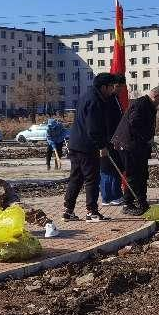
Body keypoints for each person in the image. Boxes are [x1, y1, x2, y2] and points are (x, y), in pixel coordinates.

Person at [63, 72, 117, 222]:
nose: (112, 89)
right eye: (111, 86)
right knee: (92, 179)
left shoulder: (86, 96)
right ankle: (92, 212)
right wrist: (101, 146)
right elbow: (93, 128)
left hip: (75, 144)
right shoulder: (95, 101)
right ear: (104, 87)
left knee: (76, 178)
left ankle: (68, 211)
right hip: (87, 146)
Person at [112, 86, 159, 215]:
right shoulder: (141, 104)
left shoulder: (149, 105)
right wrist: (147, 137)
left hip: (139, 145)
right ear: (156, 96)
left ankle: (142, 201)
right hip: (128, 145)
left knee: (142, 174)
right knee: (133, 174)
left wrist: (149, 139)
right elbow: (134, 124)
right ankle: (128, 204)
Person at [99, 75, 126, 206]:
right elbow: (108, 122)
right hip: (109, 139)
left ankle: (113, 194)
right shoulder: (108, 100)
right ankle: (111, 196)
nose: (120, 89)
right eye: (117, 86)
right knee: (109, 167)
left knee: (115, 167)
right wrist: (112, 140)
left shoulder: (115, 98)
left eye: (122, 87)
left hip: (115, 138)